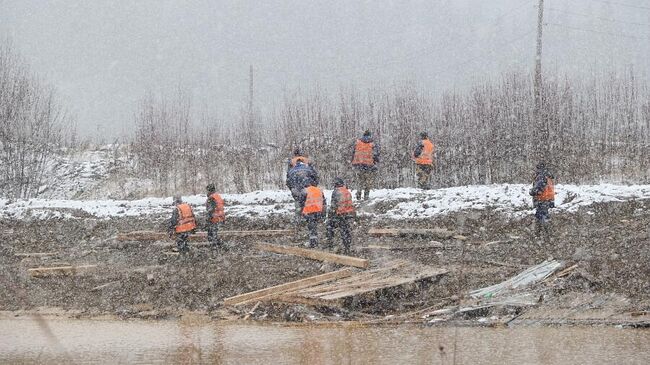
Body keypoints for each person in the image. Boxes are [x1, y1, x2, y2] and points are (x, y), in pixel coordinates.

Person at [326, 178, 355, 254]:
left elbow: (334, 205)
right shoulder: (347, 191)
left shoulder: (336, 192)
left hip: (340, 213)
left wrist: (330, 215)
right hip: (348, 213)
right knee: (346, 229)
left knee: (330, 227)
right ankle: (347, 246)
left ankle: (330, 244)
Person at [351, 130, 380, 200]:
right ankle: (366, 197)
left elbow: (353, 153)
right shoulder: (372, 144)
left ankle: (358, 195)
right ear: (370, 135)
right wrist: (376, 161)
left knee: (359, 181)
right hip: (369, 166)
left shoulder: (357, 143)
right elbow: (376, 155)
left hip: (358, 165)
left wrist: (353, 161)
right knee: (367, 182)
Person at [529, 162, 555, 234]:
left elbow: (538, 188)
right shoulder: (548, 176)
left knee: (542, 216)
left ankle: (546, 233)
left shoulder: (541, 176)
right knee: (541, 215)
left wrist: (532, 192)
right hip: (549, 199)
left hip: (542, 199)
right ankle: (541, 232)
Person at [300, 181, 326, 248]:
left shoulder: (305, 191)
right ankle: (315, 241)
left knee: (312, 228)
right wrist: (323, 214)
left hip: (309, 211)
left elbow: (301, 203)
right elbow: (324, 202)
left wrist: (302, 213)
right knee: (314, 227)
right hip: (318, 211)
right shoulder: (319, 190)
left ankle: (313, 243)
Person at [205, 183, 225, 250]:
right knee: (215, 234)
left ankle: (215, 249)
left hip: (214, 219)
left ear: (209, 190)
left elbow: (211, 210)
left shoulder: (211, 198)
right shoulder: (217, 196)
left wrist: (208, 219)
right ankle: (220, 247)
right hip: (220, 218)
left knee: (211, 235)